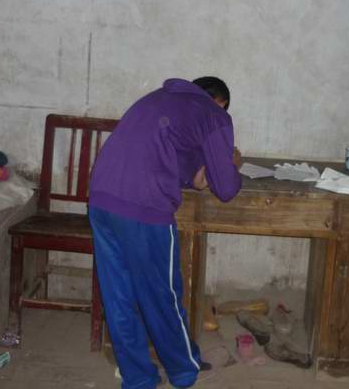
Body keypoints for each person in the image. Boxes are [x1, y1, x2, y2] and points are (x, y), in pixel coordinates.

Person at [88, 77, 242, 389]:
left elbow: (187, 172)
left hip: (101, 201)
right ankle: (184, 371)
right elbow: (225, 188)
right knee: (162, 295)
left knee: (119, 298)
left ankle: (138, 378)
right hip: (144, 208)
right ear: (219, 102)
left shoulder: (158, 99)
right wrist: (233, 163)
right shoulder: (213, 115)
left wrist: (201, 174)